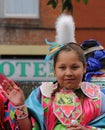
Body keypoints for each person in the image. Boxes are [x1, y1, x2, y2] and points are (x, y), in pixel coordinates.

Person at [1, 13, 105, 130]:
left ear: (84, 68)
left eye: (75, 67)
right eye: (62, 67)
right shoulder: (41, 95)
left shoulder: (98, 98)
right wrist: (20, 105)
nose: (68, 73)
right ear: (54, 70)